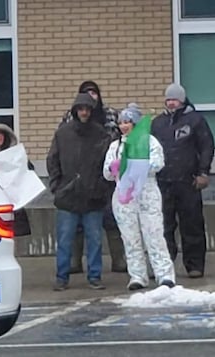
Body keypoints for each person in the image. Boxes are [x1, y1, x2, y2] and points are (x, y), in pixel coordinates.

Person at [103, 103, 176, 290]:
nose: (124, 126)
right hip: (124, 197)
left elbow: (158, 164)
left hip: (147, 194)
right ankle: (137, 276)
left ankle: (164, 275)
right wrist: (114, 168)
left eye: (128, 122)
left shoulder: (150, 142)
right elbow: (106, 173)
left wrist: (136, 166)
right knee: (130, 238)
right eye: (121, 122)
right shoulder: (115, 146)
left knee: (154, 236)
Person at [61, 80, 127, 274]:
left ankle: (119, 259)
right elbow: (61, 145)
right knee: (78, 224)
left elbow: (122, 139)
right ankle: (74, 262)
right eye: (86, 93)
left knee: (111, 218)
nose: (91, 97)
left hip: (107, 175)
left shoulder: (111, 115)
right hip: (78, 177)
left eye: (94, 93)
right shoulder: (69, 118)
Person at [47, 93, 111, 290]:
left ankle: (94, 276)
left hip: (93, 196)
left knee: (95, 240)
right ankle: (62, 278)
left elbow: (107, 164)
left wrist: (102, 186)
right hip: (68, 195)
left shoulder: (101, 134)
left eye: (87, 109)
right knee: (65, 240)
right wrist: (56, 186)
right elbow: (52, 160)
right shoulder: (63, 133)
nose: (84, 112)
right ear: (75, 111)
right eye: (81, 109)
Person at [151, 83, 215, 279]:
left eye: (175, 99)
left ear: (182, 100)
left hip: (189, 182)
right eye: (168, 99)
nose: (171, 103)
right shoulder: (157, 123)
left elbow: (206, 146)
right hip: (162, 183)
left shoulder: (195, 121)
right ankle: (164, 266)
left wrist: (203, 172)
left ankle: (195, 265)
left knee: (192, 224)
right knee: (163, 226)